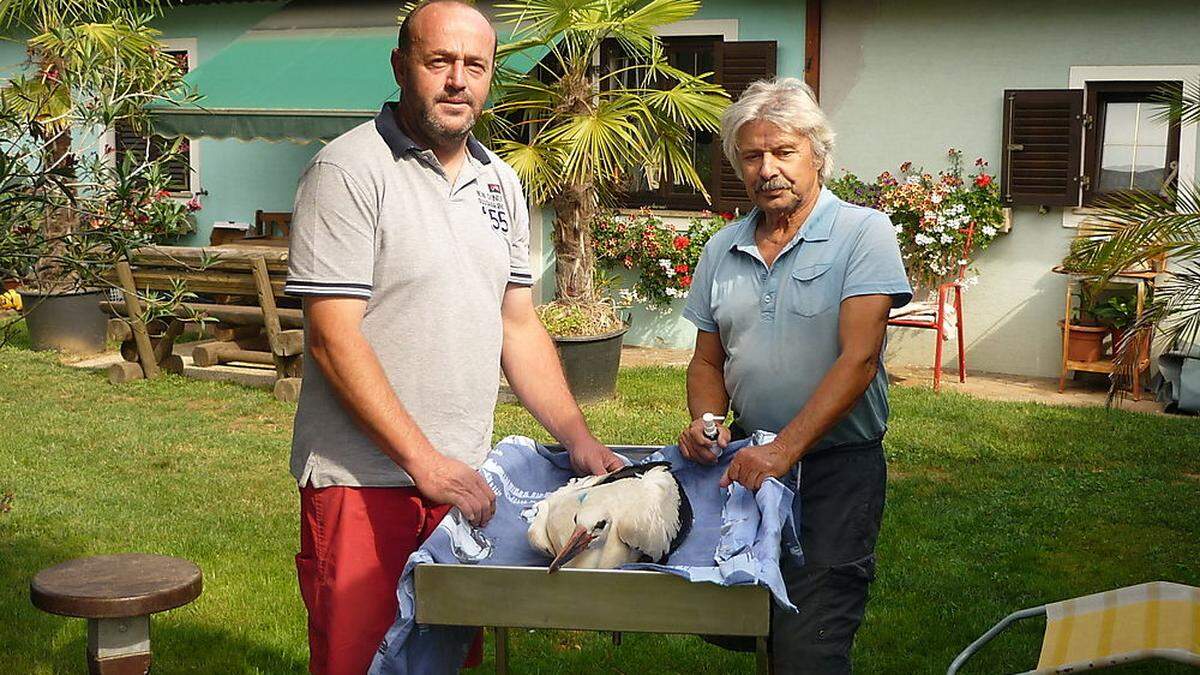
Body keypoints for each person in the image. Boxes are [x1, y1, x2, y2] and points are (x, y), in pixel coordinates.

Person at [283, 2, 623, 672]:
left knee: (440, 659)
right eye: (439, 61)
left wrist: (577, 436)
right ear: (402, 66)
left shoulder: (500, 182)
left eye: (475, 65)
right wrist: (423, 461)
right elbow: (332, 339)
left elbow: (517, 323)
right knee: (365, 661)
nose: (457, 81)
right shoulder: (348, 170)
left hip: (464, 484)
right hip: (366, 482)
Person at [677, 77, 912, 673]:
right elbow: (707, 360)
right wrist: (707, 421)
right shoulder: (721, 249)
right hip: (752, 466)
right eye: (752, 155)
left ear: (818, 156)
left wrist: (785, 450)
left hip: (835, 469)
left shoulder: (865, 233)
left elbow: (858, 360)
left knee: (812, 643)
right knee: (744, 623)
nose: (767, 168)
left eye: (784, 151)